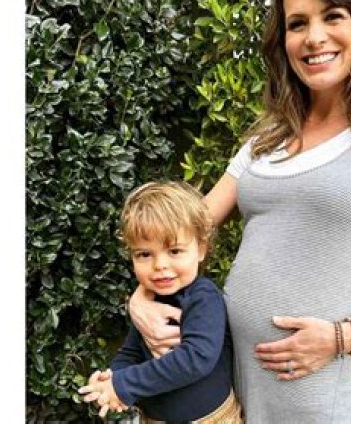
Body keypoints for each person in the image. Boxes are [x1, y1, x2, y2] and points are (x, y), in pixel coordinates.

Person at [124, 0, 351, 423]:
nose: (314, 37)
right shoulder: (265, 140)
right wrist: (140, 300)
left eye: (332, 16)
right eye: (298, 24)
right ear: (283, 40)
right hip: (230, 384)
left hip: (310, 392)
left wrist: (346, 335)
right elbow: (185, 230)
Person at [78, 181, 242, 423]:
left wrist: (125, 384)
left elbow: (195, 359)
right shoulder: (148, 301)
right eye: (144, 254)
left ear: (201, 250)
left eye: (174, 251)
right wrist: (111, 381)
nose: (160, 265)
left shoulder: (203, 297)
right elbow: (131, 352)